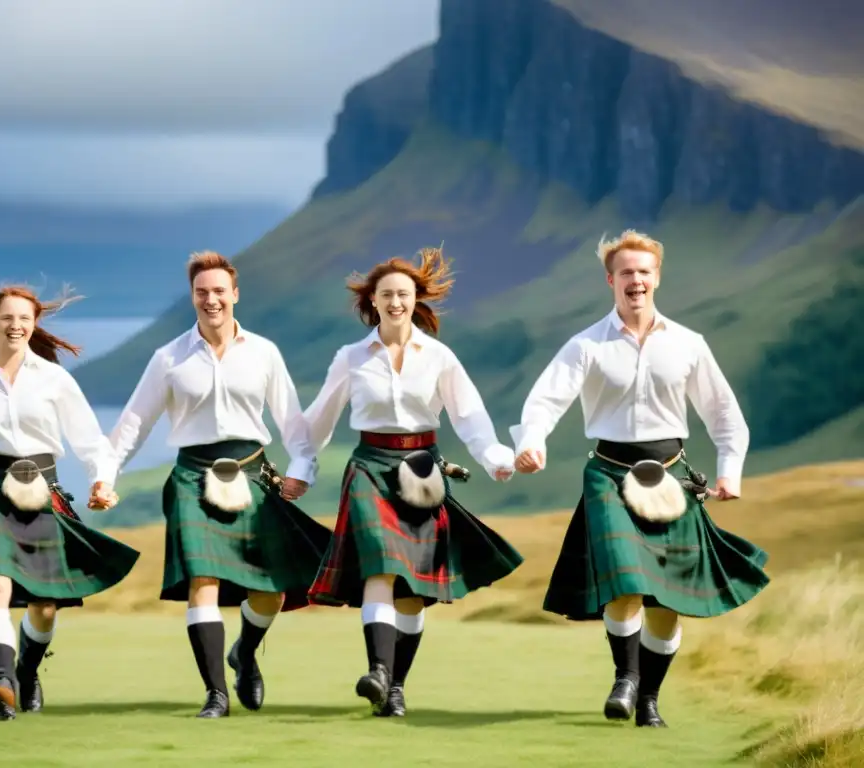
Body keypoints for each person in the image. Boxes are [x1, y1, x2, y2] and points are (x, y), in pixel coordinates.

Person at [510, 230, 770, 728]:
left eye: (644, 272)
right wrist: (531, 443)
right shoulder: (586, 344)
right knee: (624, 579)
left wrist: (728, 471)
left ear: (657, 279)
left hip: (671, 479)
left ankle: (648, 698)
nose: (636, 280)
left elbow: (723, 413)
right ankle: (625, 679)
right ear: (611, 280)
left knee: (667, 602)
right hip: (608, 475)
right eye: (626, 272)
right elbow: (545, 400)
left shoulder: (689, 344)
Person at [106, 250, 333, 719]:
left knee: (269, 590)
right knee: (202, 581)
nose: (211, 300)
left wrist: (302, 470)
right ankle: (215, 694)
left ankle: (244, 653)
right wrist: (106, 476)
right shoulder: (168, 357)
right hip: (192, 477)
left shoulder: (264, 351)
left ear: (235, 294)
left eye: (218, 291)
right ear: (192, 296)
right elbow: (133, 422)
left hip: (253, 474)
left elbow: (293, 423)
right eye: (201, 292)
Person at [302, 245, 523, 718]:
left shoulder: (439, 357)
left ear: (416, 299)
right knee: (381, 564)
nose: (396, 302)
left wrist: (496, 458)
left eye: (404, 294)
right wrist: (301, 468)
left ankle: (395, 686)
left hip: (424, 471)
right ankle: (378, 671)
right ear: (373, 302)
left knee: (412, 591)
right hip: (369, 467)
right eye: (387, 295)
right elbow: (317, 421)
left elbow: (470, 417)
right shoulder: (351, 358)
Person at [0, 285, 141, 722]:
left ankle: (27, 671)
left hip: (43, 489)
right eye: (7, 318)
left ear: (35, 323)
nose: (16, 325)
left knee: (43, 604)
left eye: (24, 318)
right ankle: (4, 682)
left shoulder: (54, 378)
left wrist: (102, 480)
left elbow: (89, 438)